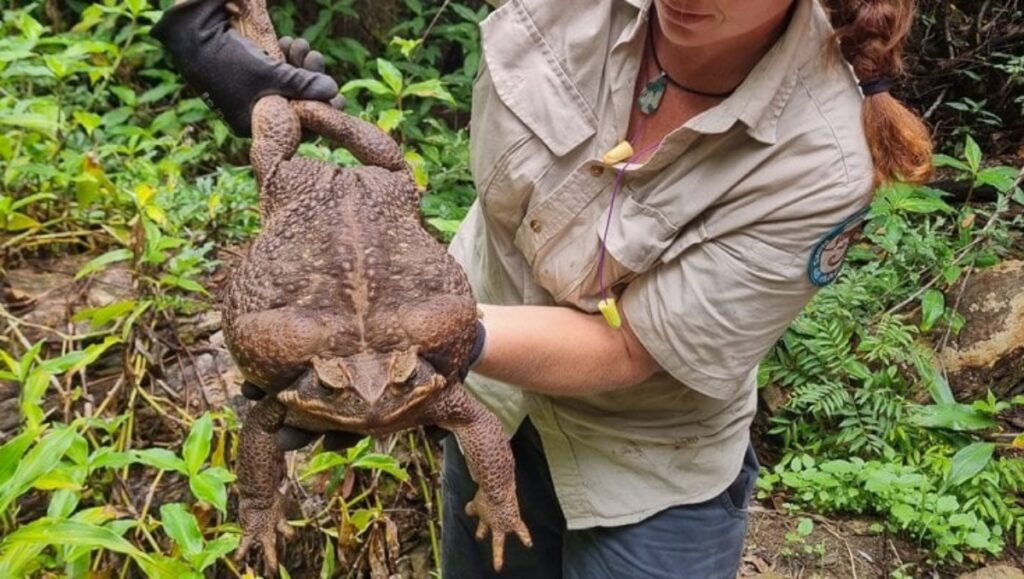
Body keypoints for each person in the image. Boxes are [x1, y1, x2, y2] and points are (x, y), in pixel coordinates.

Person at [153, 0, 933, 577]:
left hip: (645, 462)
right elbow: (388, 189)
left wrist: (417, 344)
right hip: (487, 402)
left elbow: (633, 346)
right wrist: (270, 94)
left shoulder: (824, 158)